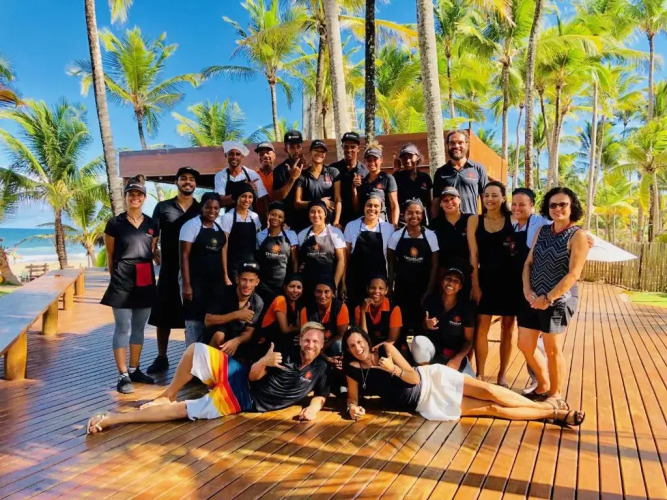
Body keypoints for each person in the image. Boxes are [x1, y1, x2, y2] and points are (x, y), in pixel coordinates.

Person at [86, 322, 332, 433]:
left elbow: (321, 394)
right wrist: (264, 362)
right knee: (195, 350)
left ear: (322, 345)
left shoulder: (321, 367)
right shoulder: (284, 351)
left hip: (241, 399)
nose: (310, 345)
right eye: (307, 340)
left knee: (183, 410)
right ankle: (168, 394)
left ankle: (114, 419)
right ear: (300, 339)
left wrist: (312, 409)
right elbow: (254, 375)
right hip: (240, 374)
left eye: (315, 342)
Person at [341, 327, 585, 426]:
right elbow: (352, 397)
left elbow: (413, 378)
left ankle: (548, 409)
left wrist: (391, 369)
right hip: (426, 403)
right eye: (352, 346)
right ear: (348, 349)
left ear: (367, 340)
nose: (358, 348)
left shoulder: (386, 350)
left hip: (432, 379)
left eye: (360, 342)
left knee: (490, 391)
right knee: (492, 409)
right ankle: (552, 413)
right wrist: (352, 408)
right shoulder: (352, 369)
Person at [518, 187, 590, 405]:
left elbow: (574, 274)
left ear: (572, 206)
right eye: (553, 205)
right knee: (525, 344)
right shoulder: (542, 231)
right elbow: (528, 263)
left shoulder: (577, 236)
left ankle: (555, 395)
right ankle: (543, 384)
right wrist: (527, 290)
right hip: (532, 297)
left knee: (552, 349)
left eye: (563, 204)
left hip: (558, 300)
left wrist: (548, 298)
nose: (558, 208)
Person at [101, 176, 158, 394]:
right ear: (125, 197)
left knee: (139, 327)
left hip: (145, 276)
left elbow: (151, 251)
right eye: (131, 194)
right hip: (122, 277)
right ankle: (122, 374)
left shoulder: (152, 224)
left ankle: (134, 369)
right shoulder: (114, 223)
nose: (135, 197)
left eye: (139, 194)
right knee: (123, 327)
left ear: (144, 198)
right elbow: (110, 254)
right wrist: (114, 278)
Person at [146, 167, 201, 374]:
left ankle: (196, 361)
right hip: (169, 268)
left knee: (195, 316)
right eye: (183, 178)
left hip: (195, 270)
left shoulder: (201, 208)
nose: (188, 182)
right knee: (163, 314)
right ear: (177, 182)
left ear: (195, 184)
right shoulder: (163, 207)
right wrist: (153, 251)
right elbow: (152, 233)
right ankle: (162, 357)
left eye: (191, 179)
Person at [468, 181, 519, 387]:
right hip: (485, 279)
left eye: (495, 195)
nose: (490, 199)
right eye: (486, 195)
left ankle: (502, 374)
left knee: (508, 327)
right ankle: (480, 374)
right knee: (482, 328)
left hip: (510, 280)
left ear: (503, 198)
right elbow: (473, 255)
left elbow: (540, 224)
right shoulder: (475, 220)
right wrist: (475, 284)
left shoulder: (513, 218)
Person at [179, 192, 226, 346]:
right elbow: (184, 255)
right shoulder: (191, 226)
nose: (212, 211)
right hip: (195, 282)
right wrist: (186, 285)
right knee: (194, 321)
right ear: (202, 207)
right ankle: (191, 355)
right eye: (208, 207)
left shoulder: (219, 227)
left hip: (214, 284)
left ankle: (205, 357)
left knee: (210, 322)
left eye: (216, 208)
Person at [387, 199, 439, 335]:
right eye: (410, 213)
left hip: (423, 288)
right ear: (404, 215)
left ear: (423, 215)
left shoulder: (430, 235)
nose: (414, 216)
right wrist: (390, 286)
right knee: (401, 323)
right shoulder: (396, 236)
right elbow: (390, 262)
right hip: (402, 288)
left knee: (421, 324)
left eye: (417, 213)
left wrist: (429, 289)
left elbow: (435, 265)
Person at [412, 268, 475, 377]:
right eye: (448, 279)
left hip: (453, 355)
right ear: (442, 282)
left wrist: (457, 359)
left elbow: (468, 341)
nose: (451, 283)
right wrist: (426, 325)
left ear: (460, 287)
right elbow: (420, 327)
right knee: (418, 341)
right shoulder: (431, 300)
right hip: (432, 352)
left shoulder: (465, 308)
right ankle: (425, 377)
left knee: (469, 382)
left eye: (456, 281)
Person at [342, 193, 395, 309]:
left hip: (378, 282)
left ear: (381, 209)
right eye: (369, 205)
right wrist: (343, 282)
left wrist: (390, 283)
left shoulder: (389, 228)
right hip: (355, 279)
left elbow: (390, 259)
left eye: (376, 206)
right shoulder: (351, 226)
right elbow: (345, 257)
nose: (372, 209)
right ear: (364, 207)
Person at [204, 262, 264, 359]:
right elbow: (208, 321)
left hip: (238, 343)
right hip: (216, 340)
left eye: (251, 281)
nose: (247, 285)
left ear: (257, 282)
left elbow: (250, 331)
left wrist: (237, 341)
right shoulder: (223, 293)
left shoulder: (257, 303)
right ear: (237, 279)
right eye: (244, 280)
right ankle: (209, 365)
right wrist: (237, 315)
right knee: (219, 335)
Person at [431, 130, 489, 218]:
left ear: (467, 145)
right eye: (452, 143)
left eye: (460, 143)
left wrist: (485, 222)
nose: (456, 146)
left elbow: (485, 198)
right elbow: (436, 201)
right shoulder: (440, 172)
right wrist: (434, 223)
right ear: (447, 146)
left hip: (471, 223)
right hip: (447, 224)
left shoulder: (478, 169)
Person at [297, 200, 346, 295]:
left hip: (328, 287)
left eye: (319, 211)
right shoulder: (302, 234)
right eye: (312, 212)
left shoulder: (335, 233)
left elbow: (341, 261)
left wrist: (334, 286)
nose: (316, 215)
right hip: (307, 285)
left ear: (325, 214)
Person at [429, 186, 473, 291]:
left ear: (459, 200)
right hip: (443, 274)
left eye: (452, 198)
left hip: (467, 272)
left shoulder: (471, 220)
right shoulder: (435, 224)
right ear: (441, 204)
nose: (449, 202)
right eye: (445, 200)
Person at [255, 201, 299, 303]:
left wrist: (294, 279)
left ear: (283, 219)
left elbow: (294, 260)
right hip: (264, 284)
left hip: (284, 284)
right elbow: (257, 259)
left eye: (280, 216)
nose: (276, 218)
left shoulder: (291, 235)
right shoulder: (260, 236)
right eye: (273, 215)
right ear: (268, 215)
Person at [300, 278, 350, 365]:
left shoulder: (340, 307)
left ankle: (339, 363)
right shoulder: (306, 310)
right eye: (318, 292)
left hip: (333, 344)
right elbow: (307, 337)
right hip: (314, 344)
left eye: (327, 292)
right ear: (314, 293)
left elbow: (341, 335)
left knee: (339, 344)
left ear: (333, 293)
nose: (322, 296)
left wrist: (324, 346)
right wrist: (325, 357)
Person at [294, 139, 342, 228]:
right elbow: (297, 204)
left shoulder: (333, 172)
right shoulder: (302, 176)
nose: (319, 153)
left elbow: (338, 199)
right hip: (309, 224)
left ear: (325, 154)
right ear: (310, 152)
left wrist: (336, 221)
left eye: (322, 151)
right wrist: (320, 202)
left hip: (329, 224)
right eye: (316, 150)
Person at [254, 274, 305, 356]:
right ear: (285, 287)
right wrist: (300, 328)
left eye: (299, 287)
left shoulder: (296, 304)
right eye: (292, 286)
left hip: (279, 342)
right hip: (266, 343)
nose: (295, 290)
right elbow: (285, 329)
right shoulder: (280, 300)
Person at [222, 184, 262, 284]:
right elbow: (224, 247)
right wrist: (225, 274)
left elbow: (259, 241)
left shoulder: (254, 217)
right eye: (243, 196)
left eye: (250, 197)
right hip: (233, 264)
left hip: (250, 264)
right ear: (237, 198)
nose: (247, 200)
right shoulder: (228, 217)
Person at [214, 140, 268, 214]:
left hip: (249, 217)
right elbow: (220, 200)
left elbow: (263, 199)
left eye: (237, 154)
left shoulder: (252, 174)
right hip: (229, 218)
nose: (234, 157)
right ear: (226, 155)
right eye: (231, 154)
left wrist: (265, 217)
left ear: (242, 156)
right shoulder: (220, 176)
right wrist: (245, 187)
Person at [352, 145, 399, 226]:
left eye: (375, 159)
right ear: (365, 162)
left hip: (381, 223)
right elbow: (356, 206)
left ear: (381, 160)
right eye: (369, 160)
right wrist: (353, 187)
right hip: (363, 223)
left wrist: (394, 225)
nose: (372, 163)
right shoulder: (362, 181)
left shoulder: (387, 178)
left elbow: (394, 205)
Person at [329, 131, 368, 227]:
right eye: (346, 146)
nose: (349, 150)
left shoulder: (365, 171)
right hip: (336, 219)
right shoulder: (333, 169)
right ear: (342, 147)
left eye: (353, 147)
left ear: (358, 149)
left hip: (357, 220)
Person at [272, 130, 306, 229]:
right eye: (291, 147)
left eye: (298, 146)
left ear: (302, 147)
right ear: (285, 149)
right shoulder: (280, 170)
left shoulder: (309, 168)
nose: (296, 150)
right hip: (288, 223)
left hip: (309, 220)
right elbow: (276, 198)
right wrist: (292, 179)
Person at [354, 276, 402, 346]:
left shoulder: (394, 308)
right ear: (367, 288)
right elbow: (363, 337)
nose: (376, 291)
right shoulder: (359, 308)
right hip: (367, 346)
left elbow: (392, 339)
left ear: (386, 290)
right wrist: (363, 311)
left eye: (381, 288)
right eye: (372, 288)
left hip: (388, 347)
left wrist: (376, 348)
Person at [393, 143, 433, 225]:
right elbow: (392, 204)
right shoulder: (396, 177)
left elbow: (430, 203)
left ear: (417, 157)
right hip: (403, 223)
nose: (407, 160)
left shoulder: (425, 178)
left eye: (410, 157)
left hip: (421, 222)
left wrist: (432, 224)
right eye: (404, 158)